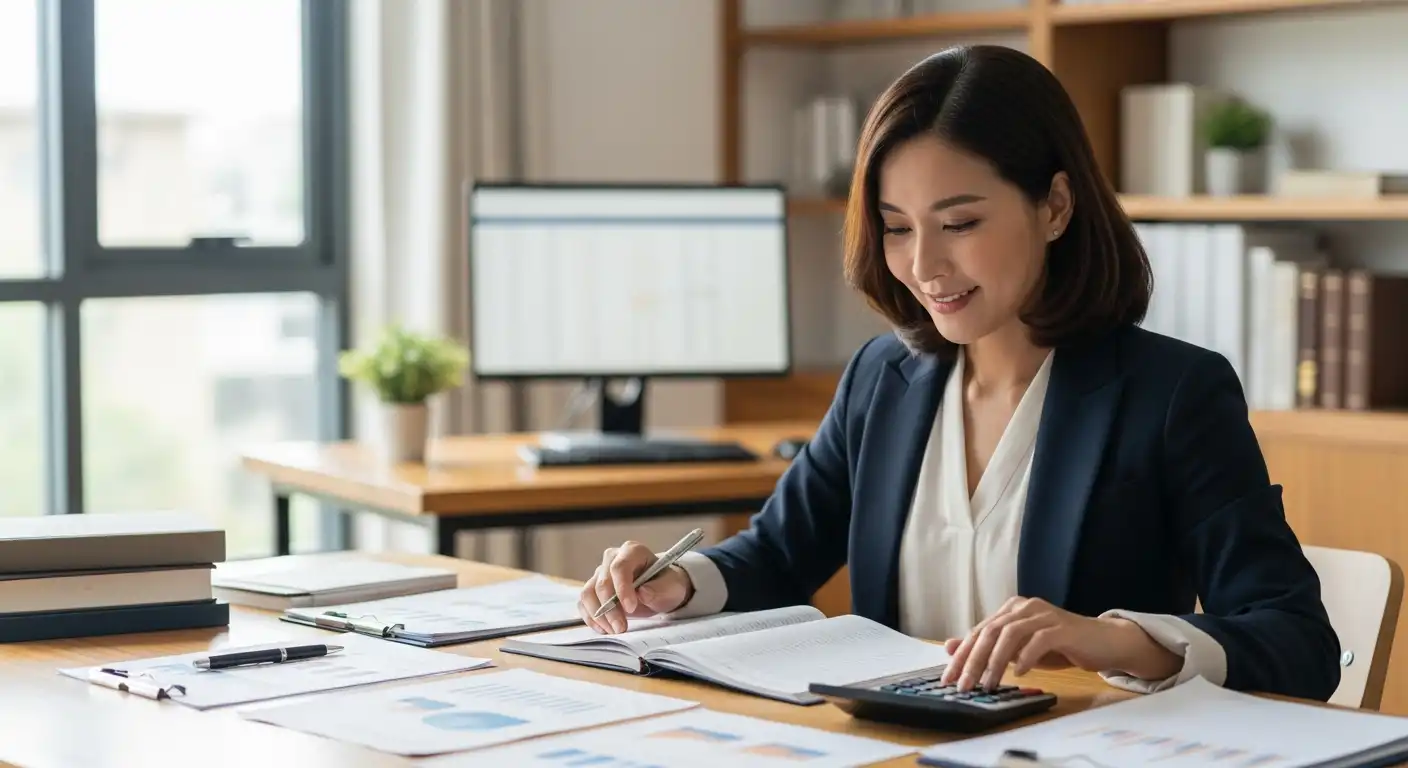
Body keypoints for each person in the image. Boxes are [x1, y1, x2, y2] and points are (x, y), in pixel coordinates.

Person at [576, 44, 1340, 701]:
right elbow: (779, 553)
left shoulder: (1173, 394)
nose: (923, 266)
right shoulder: (884, 376)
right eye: (897, 228)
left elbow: (1297, 643)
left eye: (960, 224)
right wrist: (679, 583)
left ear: (1056, 206)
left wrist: (1113, 641)